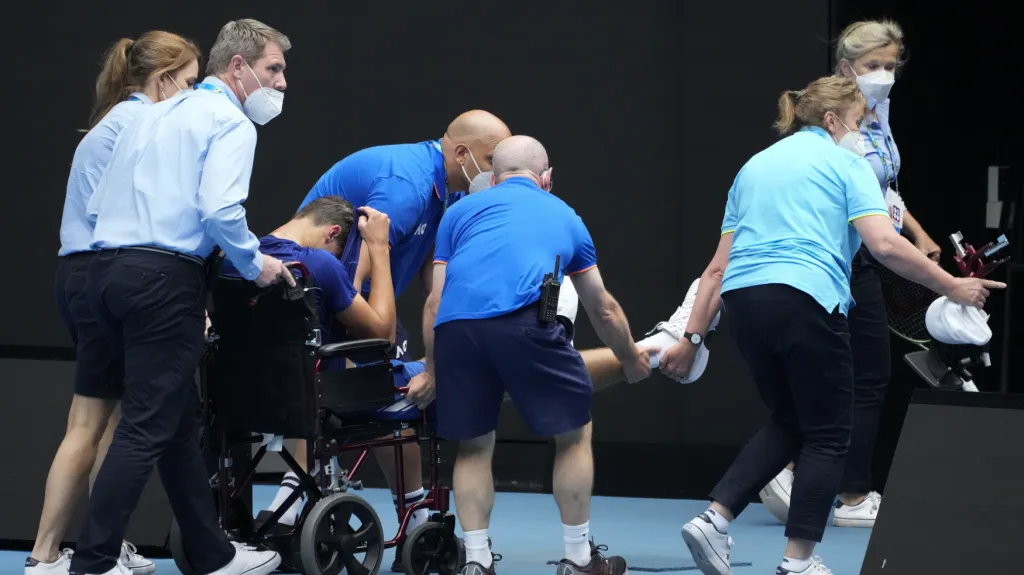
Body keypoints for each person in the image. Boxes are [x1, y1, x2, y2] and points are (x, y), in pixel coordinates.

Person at [678, 76, 1003, 575]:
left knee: (791, 418)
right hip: (805, 297)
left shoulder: (753, 166)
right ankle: (799, 562)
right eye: (859, 121)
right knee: (831, 433)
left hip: (744, 303)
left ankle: (714, 518)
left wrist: (693, 337)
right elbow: (887, 246)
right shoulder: (848, 164)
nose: (864, 130)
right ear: (831, 120)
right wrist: (952, 287)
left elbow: (718, 268)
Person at [67, 19, 297, 575]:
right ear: (237, 68)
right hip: (162, 279)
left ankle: (212, 553)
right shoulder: (231, 122)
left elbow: (100, 200)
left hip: (104, 274)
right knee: (147, 425)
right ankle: (91, 563)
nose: (283, 83)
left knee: (174, 420)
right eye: (274, 69)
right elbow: (220, 211)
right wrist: (257, 263)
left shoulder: (153, 111)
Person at [271, 111, 512, 551]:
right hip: (327, 297)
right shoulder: (407, 187)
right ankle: (294, 498)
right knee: (367, 390)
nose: (499, 170)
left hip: (355, 298)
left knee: (392, 394)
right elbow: (354, 281)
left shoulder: (449, 194)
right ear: (462, 153)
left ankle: (410, 512)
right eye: (493, 159)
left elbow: (432, 275)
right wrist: (364, 349)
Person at [424, 135, 646, 575]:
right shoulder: (564, 213)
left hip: (455, 330)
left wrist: (432, 369)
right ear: (547, 178)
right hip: (523, 325)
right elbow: (603, 307)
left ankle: (476, 562)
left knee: (472, 445)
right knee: (574, 435)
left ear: (493, 177)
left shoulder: (457, 213)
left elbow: (435, 300)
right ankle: (579, 558)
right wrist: (631, 358)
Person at [29, 31, 202, 575]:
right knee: (120, 421)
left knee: (89, 421)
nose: (194, 96)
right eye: (191, 83)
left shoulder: (107, 123)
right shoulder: (142, 125)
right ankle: (85, 550)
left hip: (76, 274)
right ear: (163, 79)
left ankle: (52, 553)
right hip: (110, 270)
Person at [756, 19, 941, 529]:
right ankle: (847, 493)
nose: (883, 75)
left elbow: (882, 191)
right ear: (845, 68)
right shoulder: (836, 125)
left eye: (889, 65)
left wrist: (917, 235)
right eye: (872, 67)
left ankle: (816, 476)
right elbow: (850, 194)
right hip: (836, 259)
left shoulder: (879, 114)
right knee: (851, 375)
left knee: (859, 375)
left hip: (865, 254)